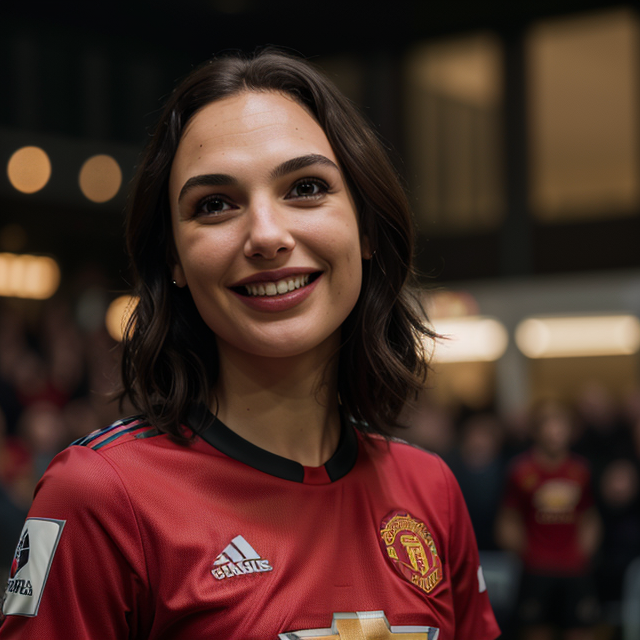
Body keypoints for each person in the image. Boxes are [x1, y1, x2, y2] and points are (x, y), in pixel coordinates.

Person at [0, 50, 499, 640]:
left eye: (306, 187)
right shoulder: (101, 496)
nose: (266, 235)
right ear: (174, 260)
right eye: (215, 205)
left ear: (366, 229)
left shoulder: (432, 490)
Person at [496, 400, 601, 640]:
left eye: (561, 425)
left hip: (575, 571)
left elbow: (590, 518)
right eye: (549, 424)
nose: (555, 431)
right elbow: (507, 522)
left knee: (582, 630)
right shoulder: (520, 471)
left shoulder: (581, 470)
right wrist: (532, 554)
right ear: (536, 430)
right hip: (536, 571)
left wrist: (582, 553)